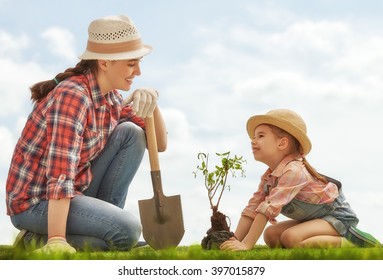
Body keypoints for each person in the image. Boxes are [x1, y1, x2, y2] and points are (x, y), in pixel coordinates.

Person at [5, 15, 167, 254]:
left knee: (132, 134)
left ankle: (107, 230)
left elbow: (159, 145)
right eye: (132, 63)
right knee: (129, 230)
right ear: (104, 62)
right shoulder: (73, 96)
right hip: (36, 203)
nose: (138, 72)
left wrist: (153, 103)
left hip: (73, 194)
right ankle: (38, 240)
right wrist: (57, 240)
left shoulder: (110, 98)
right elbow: (60, 173)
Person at [220, 109, 362, 251]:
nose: (253, 141)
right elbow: (252, 210)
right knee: (271, 235)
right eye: (254, 137)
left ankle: (353, 244)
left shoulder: (293, 170)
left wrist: (246, 244)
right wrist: (235, 240)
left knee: (290, 238)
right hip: (314, 220)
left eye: (260, 136)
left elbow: (267, 209)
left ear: (282, 143)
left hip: (337, 218)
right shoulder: (269, 178)